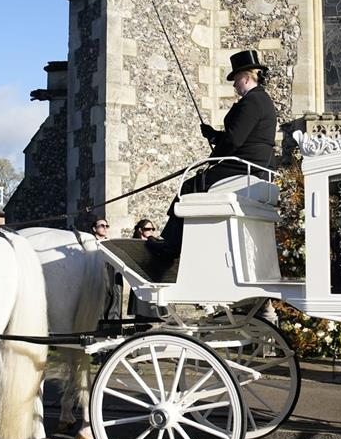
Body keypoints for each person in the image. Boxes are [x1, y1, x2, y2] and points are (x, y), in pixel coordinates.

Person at [148, 49, 278, 260]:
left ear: (245, 76)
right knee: (197, 183)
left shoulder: (252, 101)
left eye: (235, 78)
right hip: (255, 161)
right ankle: (176, 241)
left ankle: (172, 245)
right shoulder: (261, 100)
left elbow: (235, 140)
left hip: (245, 163)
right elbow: (243, 135)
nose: (234, 84)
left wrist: (213, 159)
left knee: (191, 185)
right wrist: (215, 135)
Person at [127, 218, 160, 326]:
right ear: (140, 230)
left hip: (152, 280)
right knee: (141, 314)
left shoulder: (155, 244)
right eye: (148, 229)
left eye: (152, 229)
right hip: (139, 281)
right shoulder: (134, 245)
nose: (151, 231)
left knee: (153, 313)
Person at [92, 217, 123, 322]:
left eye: (106, 226)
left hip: (112, 273)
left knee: (114, 300)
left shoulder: (111, 244)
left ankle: (113, 328)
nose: (105, 228)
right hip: (98, 274)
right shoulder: (91, 243)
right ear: (94, 229)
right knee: (100, 302)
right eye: (101, 226)